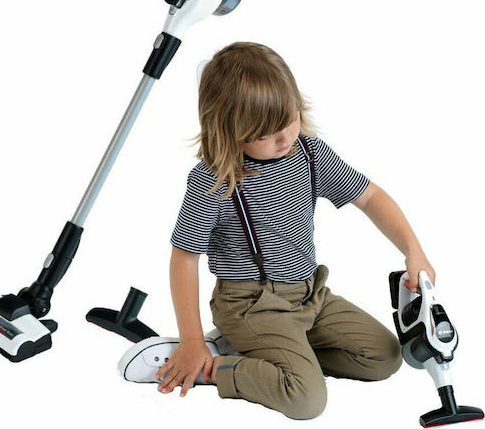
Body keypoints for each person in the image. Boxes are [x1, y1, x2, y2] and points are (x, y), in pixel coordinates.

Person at [135, 42, 435, 419]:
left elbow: (370, 196)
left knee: (385, 357)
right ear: (227, 130)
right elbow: (184, 259)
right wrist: (192, 340)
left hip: (310, 295)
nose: (284, 138)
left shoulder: (310, 154)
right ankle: (215, 365)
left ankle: (276, 360)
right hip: (250, 306)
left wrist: (412, 250)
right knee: (307, 400)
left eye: (289, 119)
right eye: (265, 133)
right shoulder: (213, 182)